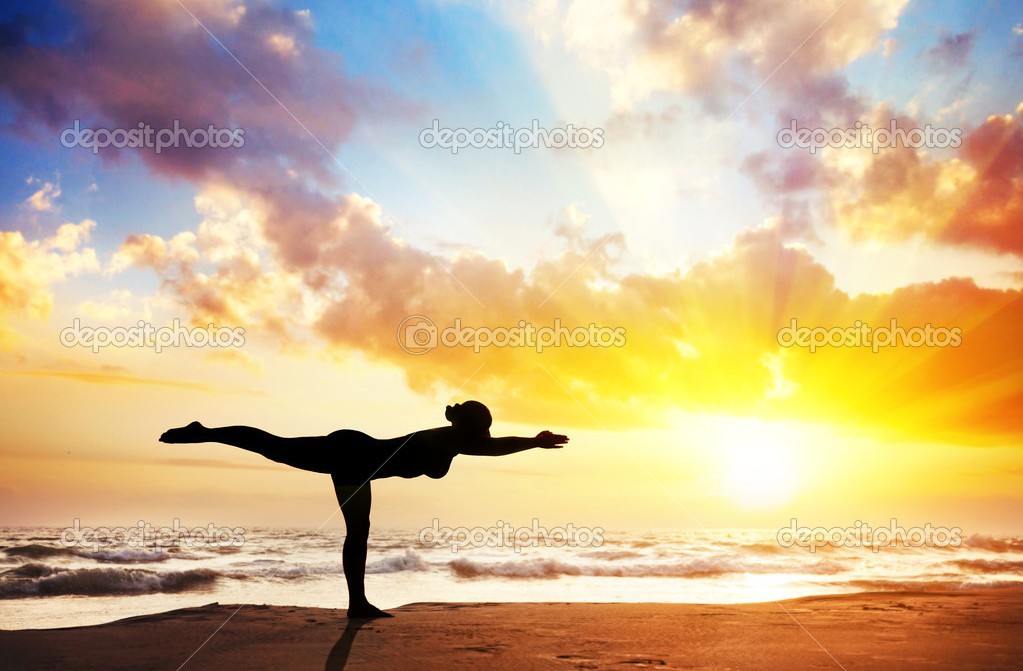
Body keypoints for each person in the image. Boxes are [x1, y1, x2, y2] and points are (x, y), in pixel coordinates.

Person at [159, 401, 568, 618]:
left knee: (357, 530)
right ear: (469, 429)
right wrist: (533, 441)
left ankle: (357, 604)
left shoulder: (455, 441)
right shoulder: (448, 439)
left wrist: (532, 441)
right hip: (351, 454)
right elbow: (497, 447)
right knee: (276, 446)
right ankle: (206, 432)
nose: (485, 436)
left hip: (359, 459)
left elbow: (492, 445)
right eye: (481, 429)